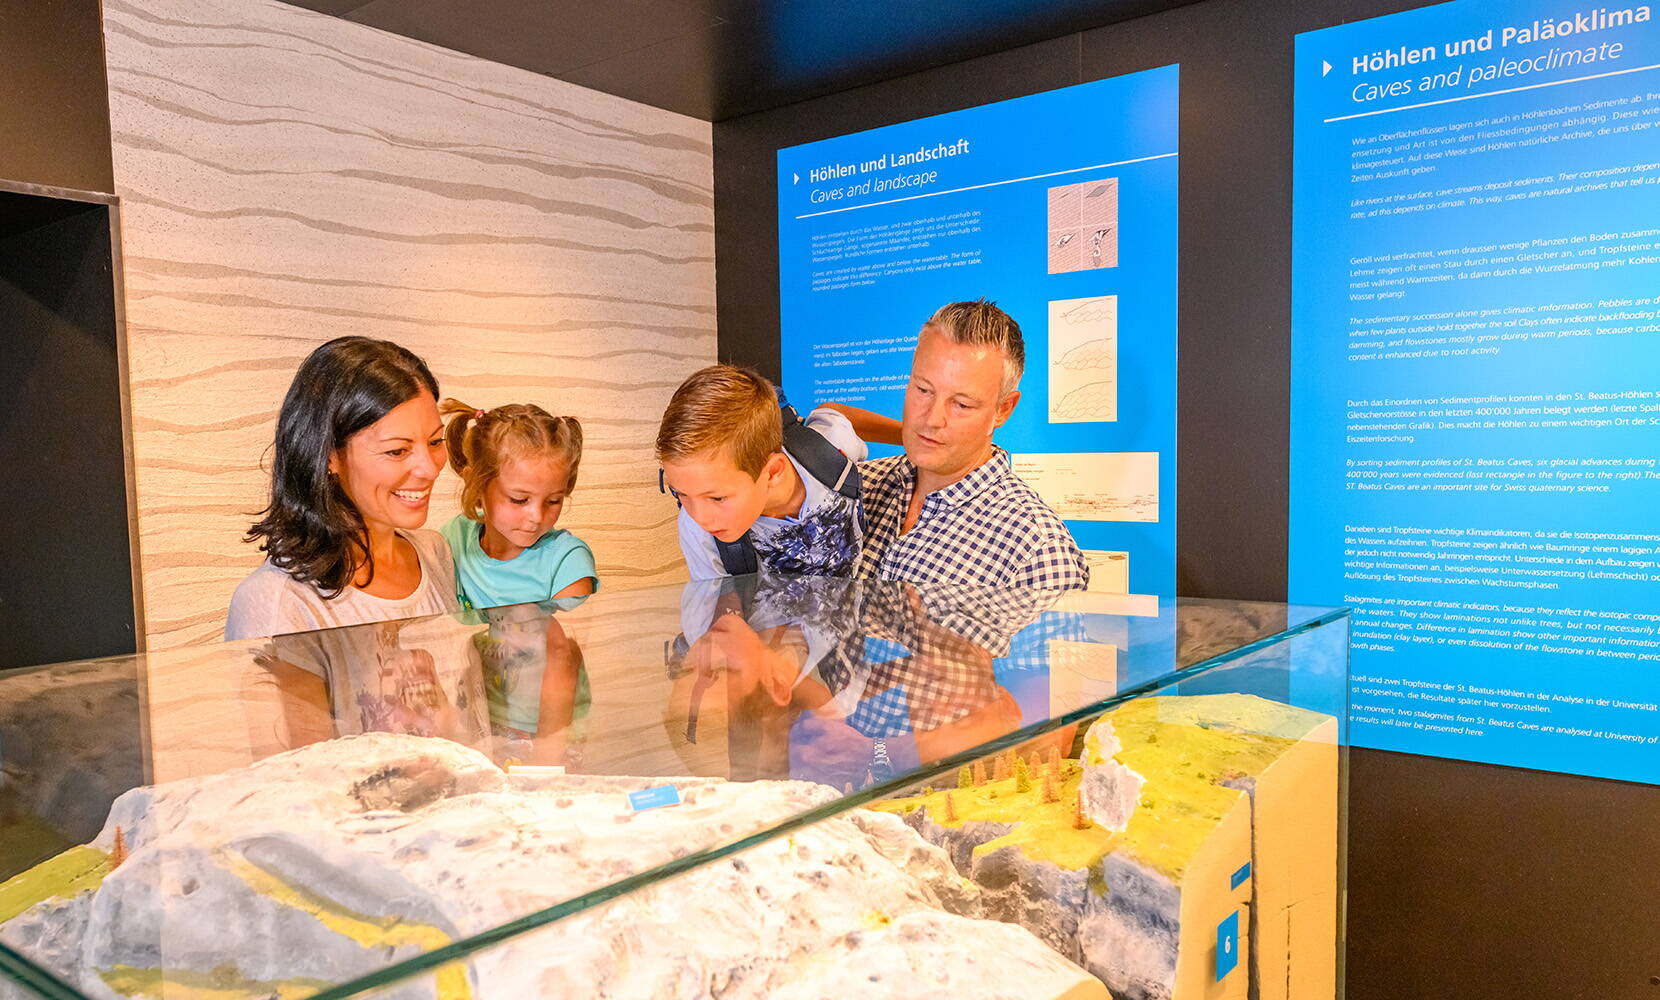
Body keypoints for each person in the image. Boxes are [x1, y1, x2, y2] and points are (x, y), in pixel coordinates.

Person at [226, 336, 459, 640]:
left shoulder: (434, 552)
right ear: (329, 455)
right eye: (397, 451)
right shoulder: (277, 600)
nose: (429, 468)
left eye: (435, 442)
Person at [856, 299, 1091, 591]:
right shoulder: (854, 487)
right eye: (923, 389)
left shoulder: (1038, 553)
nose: (932, 419)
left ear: (1003, 410)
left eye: (962, 404)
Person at [656, 365, 871, 579]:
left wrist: (904, 439)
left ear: (772, 472)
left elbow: (835, 415)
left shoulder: (827, 451)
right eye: (680, 494)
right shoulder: (697, 531)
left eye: (717, 497)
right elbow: (717, 595)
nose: (701, 518)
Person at [437, 400, 597, 611]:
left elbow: (571, 640)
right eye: (519, 500)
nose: (537, 516)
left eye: (553, 501)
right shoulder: (451, 539)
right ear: (476, 484)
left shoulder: (568, 563)